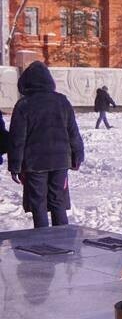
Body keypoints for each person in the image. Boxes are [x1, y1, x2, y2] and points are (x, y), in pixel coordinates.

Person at [7, 61, 85, 228]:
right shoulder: (62, 101)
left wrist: (15, 166)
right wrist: (77, 156)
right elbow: (73, 131)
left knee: (38, 204)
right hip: (60, 161)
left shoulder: (24, 105)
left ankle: (43, 242)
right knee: (58, 201)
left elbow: (17, 139)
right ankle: (62, 239)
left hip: (35, 163)